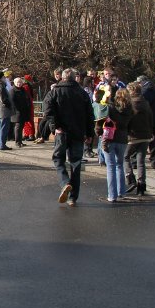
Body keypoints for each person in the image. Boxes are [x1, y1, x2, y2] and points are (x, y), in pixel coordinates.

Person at [43, 68, 95, 207]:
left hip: (62, 132)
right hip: (78, 132)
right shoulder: (82, 93)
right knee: (76, 164)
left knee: (58, 159)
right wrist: (90, 134)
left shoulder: (54, 91)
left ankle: (65, 182)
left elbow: (47, 110)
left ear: (62, 77)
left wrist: (55, 127)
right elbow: (90, 115)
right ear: (74, 78)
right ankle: (73, 197)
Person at [124, 81, 154, 196]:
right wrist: (150, 133)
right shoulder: (145, 103)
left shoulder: (130, 104)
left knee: (125, 157)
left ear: (131, 91)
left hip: (133, 136)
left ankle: (130, 178)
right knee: (141, 161)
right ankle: (142, 185)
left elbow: (128, 121)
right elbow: (151, 119)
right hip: (145, 135)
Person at [104, 88, 133, 202]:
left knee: (110, 166)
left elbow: (105, 122)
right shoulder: (129, 109)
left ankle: (112, 195)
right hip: (122, 138)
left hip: (110, 138)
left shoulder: (111, 108)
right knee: (120, 165)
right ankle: (121, 192)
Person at [137, 74, 155, 168]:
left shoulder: (145, 91)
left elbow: (144, 105)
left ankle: (137, 161)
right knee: (154, 140)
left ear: (141, 82)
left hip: (147, 119)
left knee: (143, 140)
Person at [0, 71, 13, 150]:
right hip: (4, 111)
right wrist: (10, 106)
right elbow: (4, 99)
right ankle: (2, 144)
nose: (5, 78)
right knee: (4, 128)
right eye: (4, 77)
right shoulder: (2, 87)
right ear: (1, 78)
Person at [11, 77, 32, 147]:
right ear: (14, 83)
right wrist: (17, 109)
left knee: (21, 126)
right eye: (17, 82)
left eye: (20, 82)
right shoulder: (12, 90)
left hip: (24, 111)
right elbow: (12, 102)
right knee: (18, 127)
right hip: (17, 112)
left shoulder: (23, 90)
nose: (19, 84)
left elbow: (27, 98)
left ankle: (20, 141)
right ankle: (17, 142)